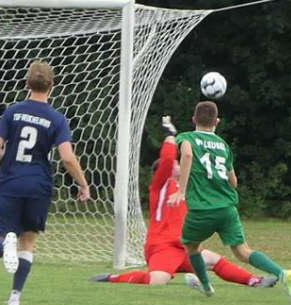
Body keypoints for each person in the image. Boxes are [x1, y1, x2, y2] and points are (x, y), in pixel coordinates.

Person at [90, 116, 277, 289]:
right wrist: (170, 136)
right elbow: (168, 159)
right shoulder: (161, 184)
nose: (179, 165)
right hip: (164, 246)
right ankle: (112, 278)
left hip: (185, 247)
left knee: (215, 260)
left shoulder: (187, 187)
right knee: (156, 281)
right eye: (176, 164)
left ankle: (255, 281)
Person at [168, 101, 291, 304]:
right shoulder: (223, 145)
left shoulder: (187, 137)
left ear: (193, 120)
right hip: (227, 208)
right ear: (217, 122)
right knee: (243, 251)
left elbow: (186, 154)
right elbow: (234, 181)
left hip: (202, 209)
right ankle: (282, 273)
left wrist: (182, 190)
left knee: (191, 246)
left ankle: (206, 287)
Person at [0, 60, 90, 305]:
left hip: (11, 181)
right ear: (52, 86)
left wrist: (9, 157)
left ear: (26, 84)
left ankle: (5, 245)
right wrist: (83, 184)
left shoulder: (12, 112)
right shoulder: (57, 119)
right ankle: (15, 297)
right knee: (29, 242)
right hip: (39, 185)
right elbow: (67, 157)